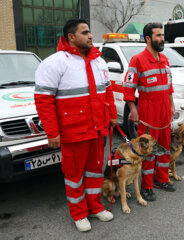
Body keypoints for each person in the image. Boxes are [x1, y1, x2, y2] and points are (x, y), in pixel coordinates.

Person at [34, 19, 117, 232]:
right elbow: (44, 101)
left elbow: (107, 92)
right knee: (74, 176)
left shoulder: (99, 61)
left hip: (97, 130)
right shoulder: (54, 63)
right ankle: (79, 214)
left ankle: (95, 208)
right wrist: (52, 133)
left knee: (95, 172)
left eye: (90, 32)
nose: (91, 36)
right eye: (85, 32)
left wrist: (113, 116)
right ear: (71, 37)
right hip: (74, 133)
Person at [122, 22, 176, 201]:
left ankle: (161, 179)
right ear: (148, 38)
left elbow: (169, 87)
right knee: (148, 150)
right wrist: (133, 110)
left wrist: (172, 104)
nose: (162, 39)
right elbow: (129, 88)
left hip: (165, 112)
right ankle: (146, 186)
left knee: (165, 147)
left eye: (162, 35)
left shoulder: (164, 59)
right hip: (148, 113)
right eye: (158, 35)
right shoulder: (137, 60)